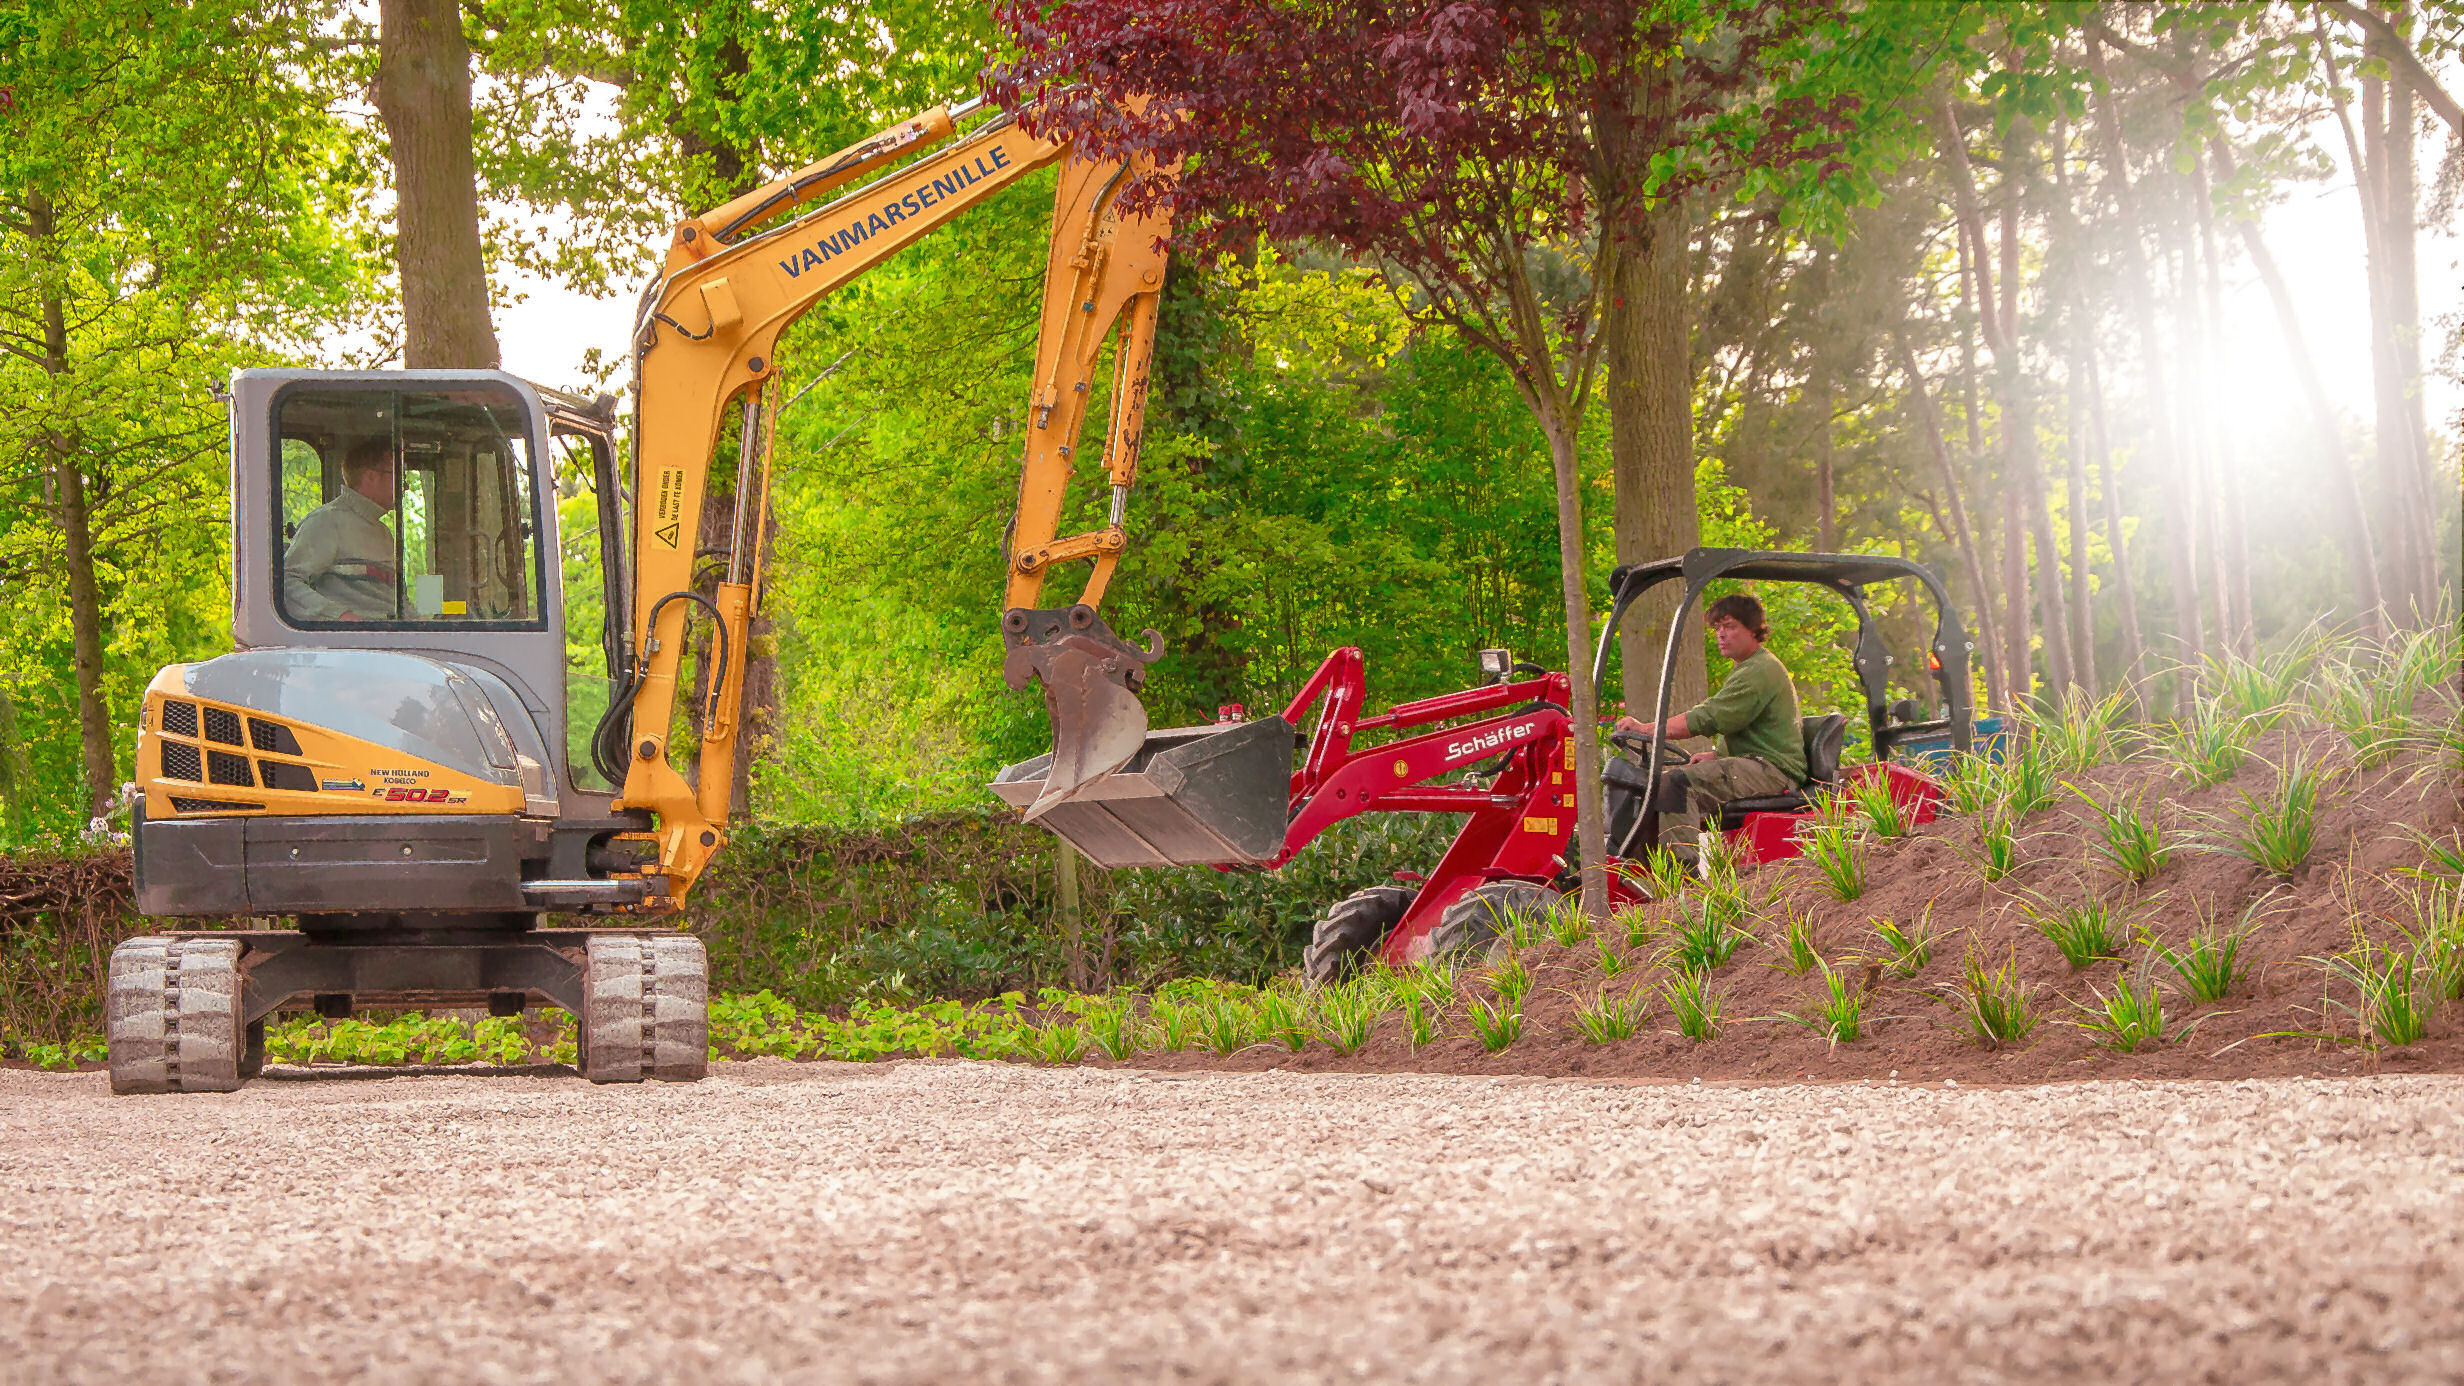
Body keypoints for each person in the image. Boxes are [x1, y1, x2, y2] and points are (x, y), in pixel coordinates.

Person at [1613, 592, 1805, 854]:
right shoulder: (1748, 668)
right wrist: (1717, 755)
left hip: (1772, 772)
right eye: (1717, 628)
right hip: (1759, 764)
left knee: (1677, 785)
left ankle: (1682, 877)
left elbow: (1710, 717)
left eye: (1730, 626)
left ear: (1753, 631)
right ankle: (1641, 873)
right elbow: (1752, 729)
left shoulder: (1760, 671)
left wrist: (1646, 729)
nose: (1721, 634)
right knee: (1657, 786)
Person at [282, 438, 400, 622]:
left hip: (389, 637)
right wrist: (340, 616)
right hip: (349, 643)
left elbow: (397, 601)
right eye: (398, 476)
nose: (405, 486)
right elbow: (286, 583)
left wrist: (425, 622)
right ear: (371, 476)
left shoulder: (384, 533)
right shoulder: (326, 522)